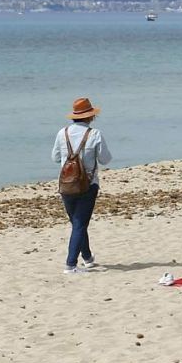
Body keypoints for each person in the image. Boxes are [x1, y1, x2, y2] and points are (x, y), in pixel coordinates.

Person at [52, 97, 113, 274]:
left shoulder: (62, 133)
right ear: (90, 116)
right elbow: (105, 159)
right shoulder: (95, 134)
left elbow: (55, 158)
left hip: (66, 185)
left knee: (77, 223)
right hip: (88, 185)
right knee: (79, 224)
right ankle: (70, 264)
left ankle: (87, 258)